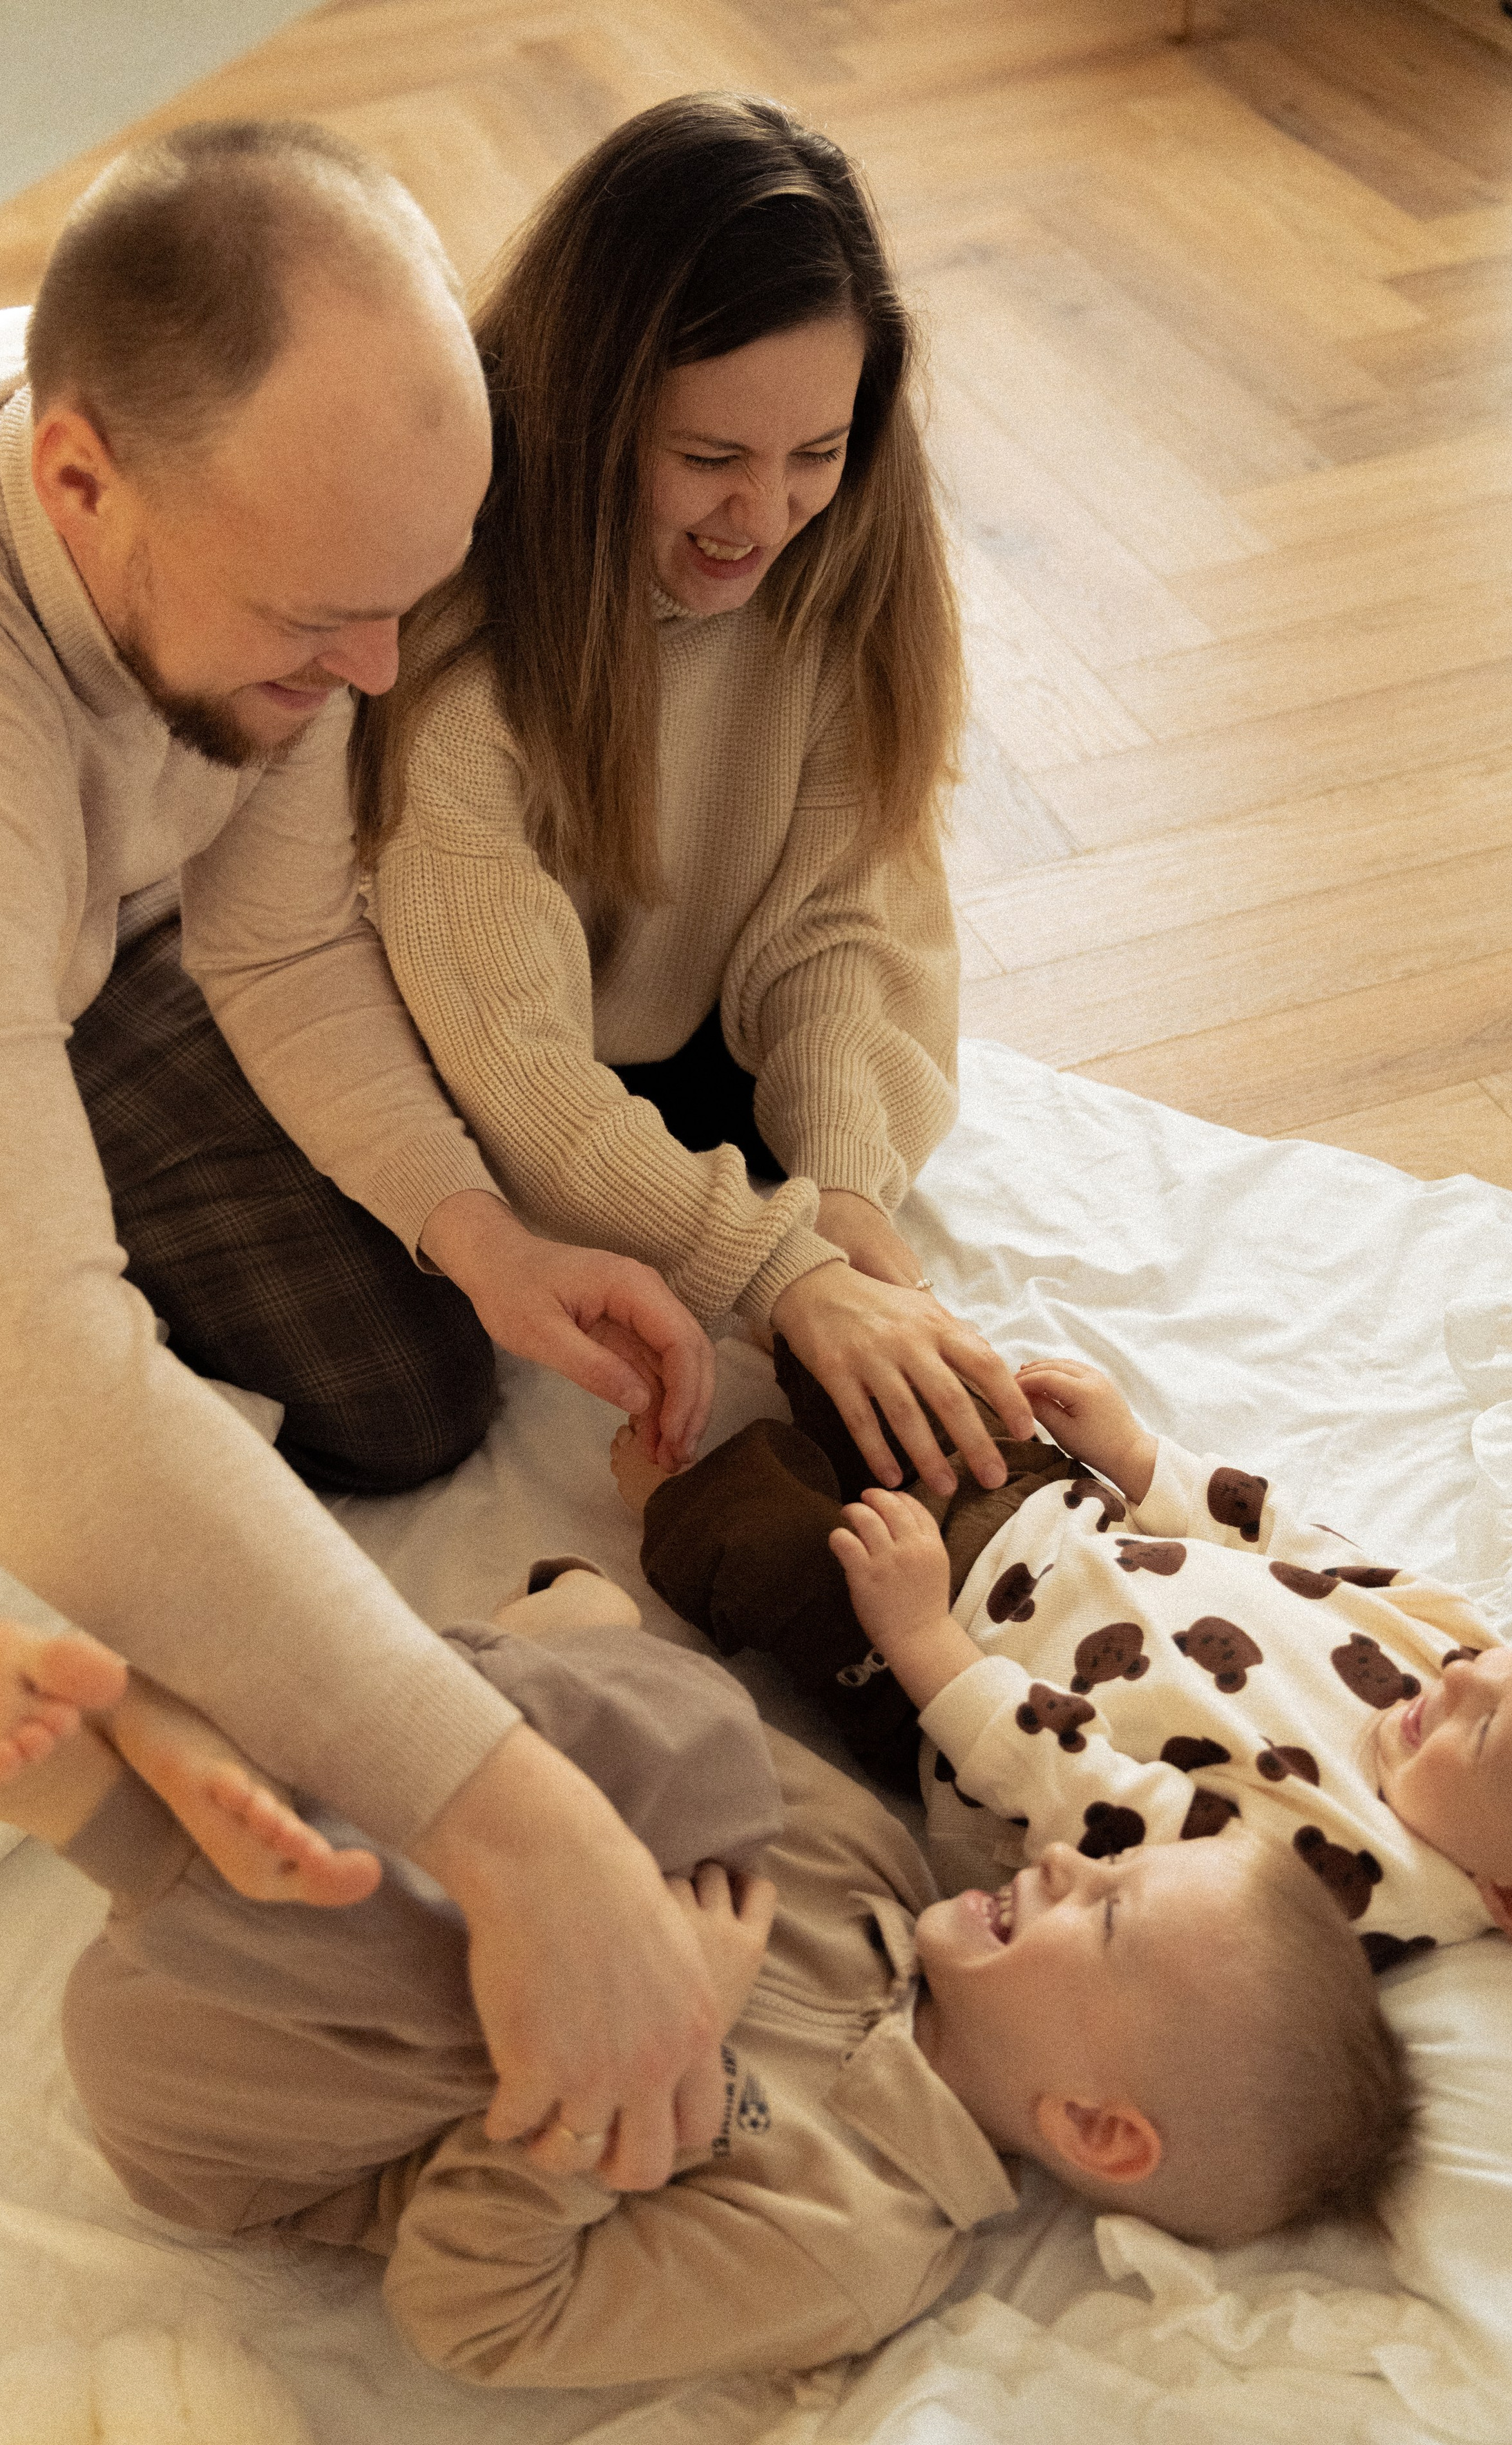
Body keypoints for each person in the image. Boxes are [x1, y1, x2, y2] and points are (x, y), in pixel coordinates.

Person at [0, 119, 730, 2191]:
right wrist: (516, 1822)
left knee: (410, 1381)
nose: (377, 678)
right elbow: (21, 1378)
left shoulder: (264, 533)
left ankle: (40, 1285)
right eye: (321, 620)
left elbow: (279, 940)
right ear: (79, 485)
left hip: (24, 966)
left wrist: (473, 1231)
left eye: (405, 605)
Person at [0, 1568, 1411, 2390]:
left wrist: (641, 2061)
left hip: (253, 2097)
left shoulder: (847, 2246)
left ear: (1095, 2128)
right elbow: (644, 1733)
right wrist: (592, 1645)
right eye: (1108, 1858)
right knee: (711, 1745)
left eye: (1106, 1917)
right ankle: (238, 1701)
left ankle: (76, 1794)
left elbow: (472, 2317)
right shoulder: (876, 1881)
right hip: (343, 1843)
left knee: (485, 2002)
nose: (1061, 1860)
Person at [355, 93, 1037, 1506]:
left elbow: (844, 920)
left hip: (676, 1052)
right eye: (708, 459)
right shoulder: (458, 647)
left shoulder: (840, 555)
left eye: (815, 453)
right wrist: (776, 1270)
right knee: (408, 1385)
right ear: (588, 413)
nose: (764, 517)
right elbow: (515, 1069)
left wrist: (841, 1189)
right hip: (472, 1054)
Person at [616, 1349, 1512, 1968]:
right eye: (1504, 1669)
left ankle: (674, 1491)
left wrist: (922, 1640)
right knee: (920, 1376)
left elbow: (1087, 1801)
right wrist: (1138, 1457)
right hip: (1057, 1513)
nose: (1462, 1678)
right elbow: (1305, 1549)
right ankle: (796, 1319)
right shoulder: (1468, 1653)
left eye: (1483, 1730)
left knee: (771, 1550)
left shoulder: (1351, 1883)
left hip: (942, 1663)